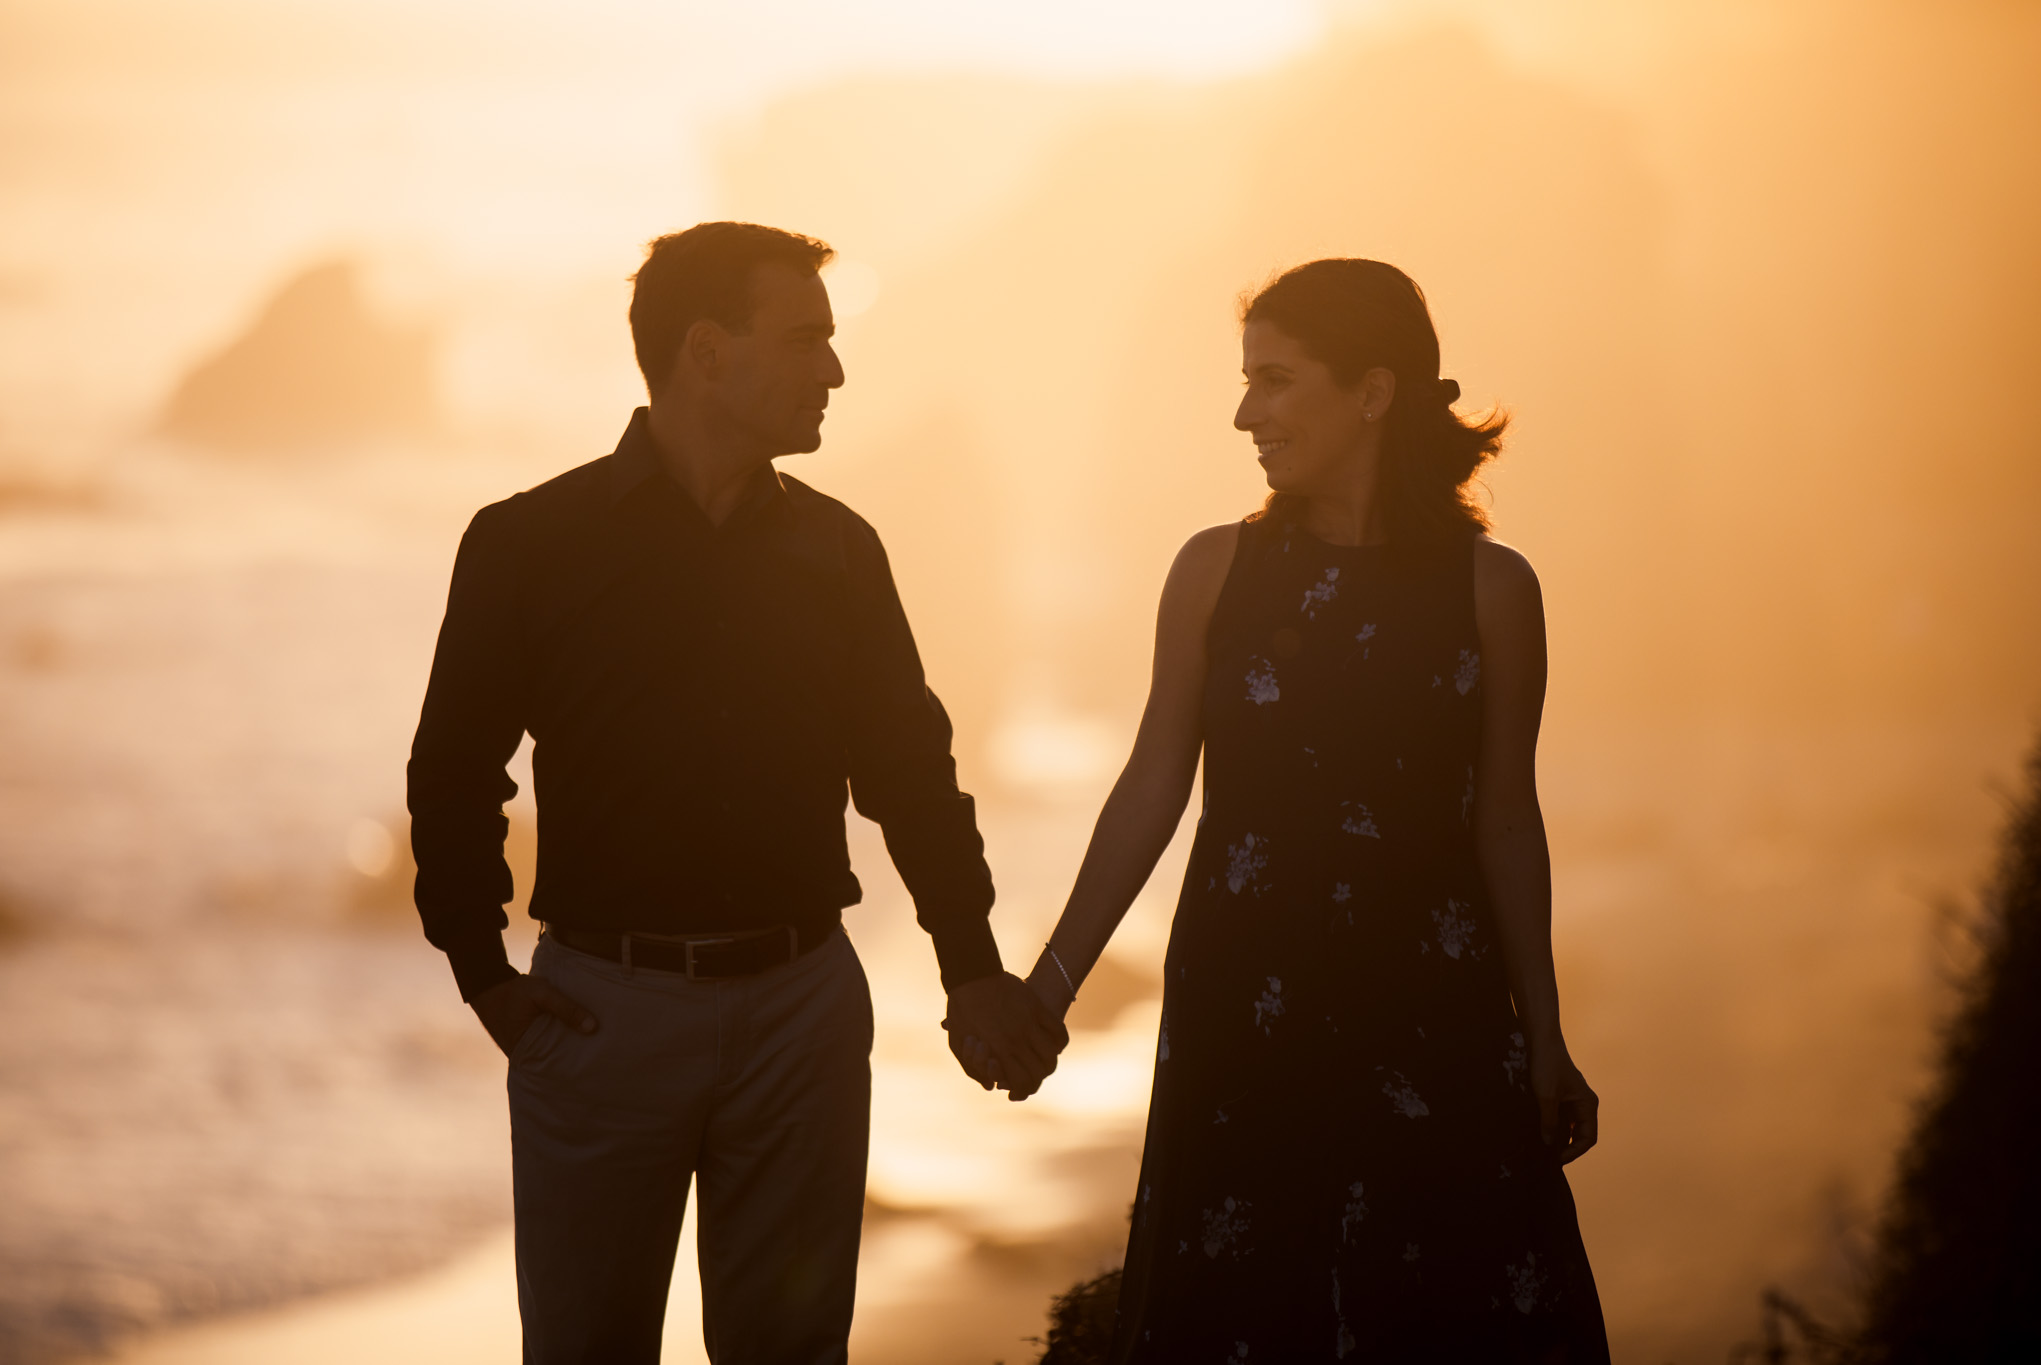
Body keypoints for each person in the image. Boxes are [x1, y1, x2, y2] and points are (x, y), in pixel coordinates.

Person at [406, 221, 1066, 1365]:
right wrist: (483, 976)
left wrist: (969, 969)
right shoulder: (528, 543)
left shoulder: (838, 551)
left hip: (800, 1017)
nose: (834, 369)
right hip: (603, 1018)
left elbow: (908, 770)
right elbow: (452, 769)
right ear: (706, 353)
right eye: (805, 338)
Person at [1019, 259, 1609, 1361]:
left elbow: (1504, 820)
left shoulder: (1494, 592)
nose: (1245, 413)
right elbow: (1153, 781)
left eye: (1276, 381)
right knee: (1249, 1294)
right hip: (1245, 1000)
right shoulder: (1214, 572)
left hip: (1434, 1004)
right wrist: (1050, 986)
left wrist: (1543, 1038)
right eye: (1247, 382)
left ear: (1372, 391)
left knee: (1447, 1301)